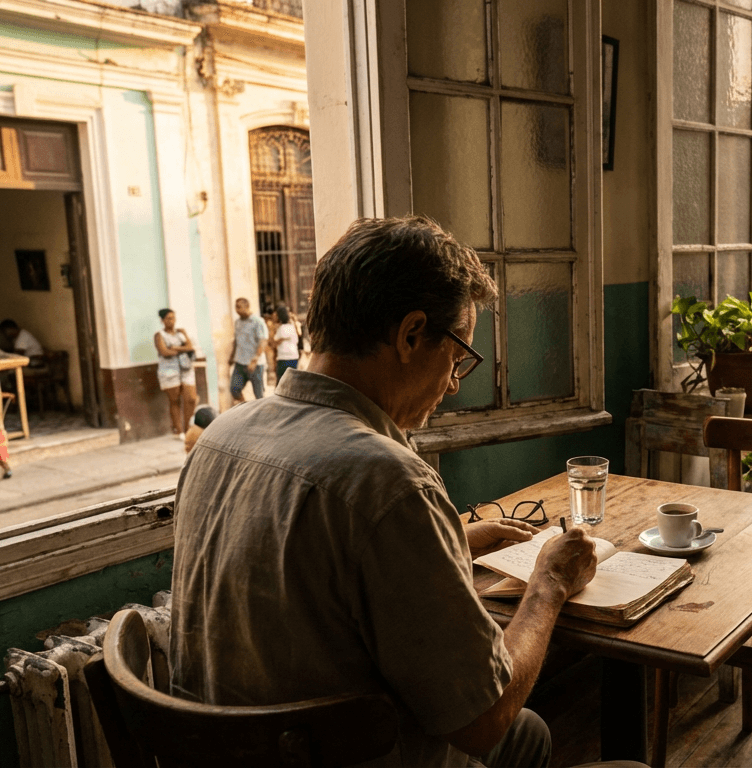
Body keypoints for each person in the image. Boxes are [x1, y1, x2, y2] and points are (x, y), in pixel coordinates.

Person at [171, 216, 618, 768]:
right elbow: (483, 719)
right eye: (457, 359)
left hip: (231, 753)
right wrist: (550, 581)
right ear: (410, 335)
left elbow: (302, 562)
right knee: (519, 728)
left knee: (527, 734)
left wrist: (451, 535)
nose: (453, 386)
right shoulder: (389, 481)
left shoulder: (220, 437)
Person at [154, 309, 198, 438]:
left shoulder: (180, 334)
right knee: (175, 400)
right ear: (162, 320)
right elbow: (165, 352)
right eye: (168, 318)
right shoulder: (159, 335)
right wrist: (182, 349)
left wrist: (176, 348)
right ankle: (179, 431)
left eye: (173, 318)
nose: (172, 321)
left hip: (186, 368)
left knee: (191, 398)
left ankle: (188, 428)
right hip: (169, 371)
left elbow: (190, 347)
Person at [229, 298, 268, 404]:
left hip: (255, 365)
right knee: (234, 390)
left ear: (246, 307)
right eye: (235, 307)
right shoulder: (237, 322)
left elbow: (263, 341)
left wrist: (255, 360)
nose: (236, 310)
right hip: (240, 362)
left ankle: (262, 417)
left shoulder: (257, 322)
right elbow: (236, 341)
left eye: (239, 307)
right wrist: (231, 356)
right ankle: (245, 407)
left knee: (259, 396)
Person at [272, 305, 301, 382]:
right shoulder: (292, 327)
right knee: (292, 380)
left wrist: (281, 339)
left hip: (283, 358)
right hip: (294, 356)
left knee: (281, 381)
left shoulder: (281, 328)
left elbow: (274, 343)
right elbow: (296, 340)